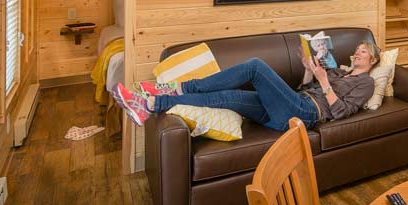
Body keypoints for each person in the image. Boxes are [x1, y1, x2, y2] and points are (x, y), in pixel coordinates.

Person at [112, 41, 380, 132]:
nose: (357, 54)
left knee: (254, 66)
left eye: (363, 52)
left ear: (374, 60)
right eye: (357, 50)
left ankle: (179, 88)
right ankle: (152, 104)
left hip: (306, 114)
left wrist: (323, 81)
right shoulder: (338, 70)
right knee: (229, 96)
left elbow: (342, 112)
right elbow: (304, 87)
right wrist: (310, 71)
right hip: (284, 111)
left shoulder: (366, 83)